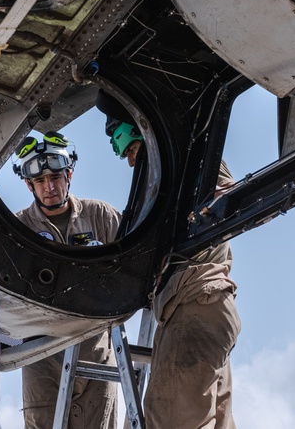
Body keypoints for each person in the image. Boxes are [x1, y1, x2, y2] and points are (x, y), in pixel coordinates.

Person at [105, 111, 242, 429]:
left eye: (132, 151)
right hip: (202, 306)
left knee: (168, 415)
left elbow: (226, 197)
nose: (129, 163)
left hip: (196, 303)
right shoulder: (170, 181)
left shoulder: (191, 160)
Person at [13, 131, 121, 429]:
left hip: (95, 354)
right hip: (41, 356)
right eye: (40, 181)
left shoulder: (100, 216)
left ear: (69, 174)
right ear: (28, 184)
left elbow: (138, 266)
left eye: (56, 178)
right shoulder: (18, 228)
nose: (49, 187)